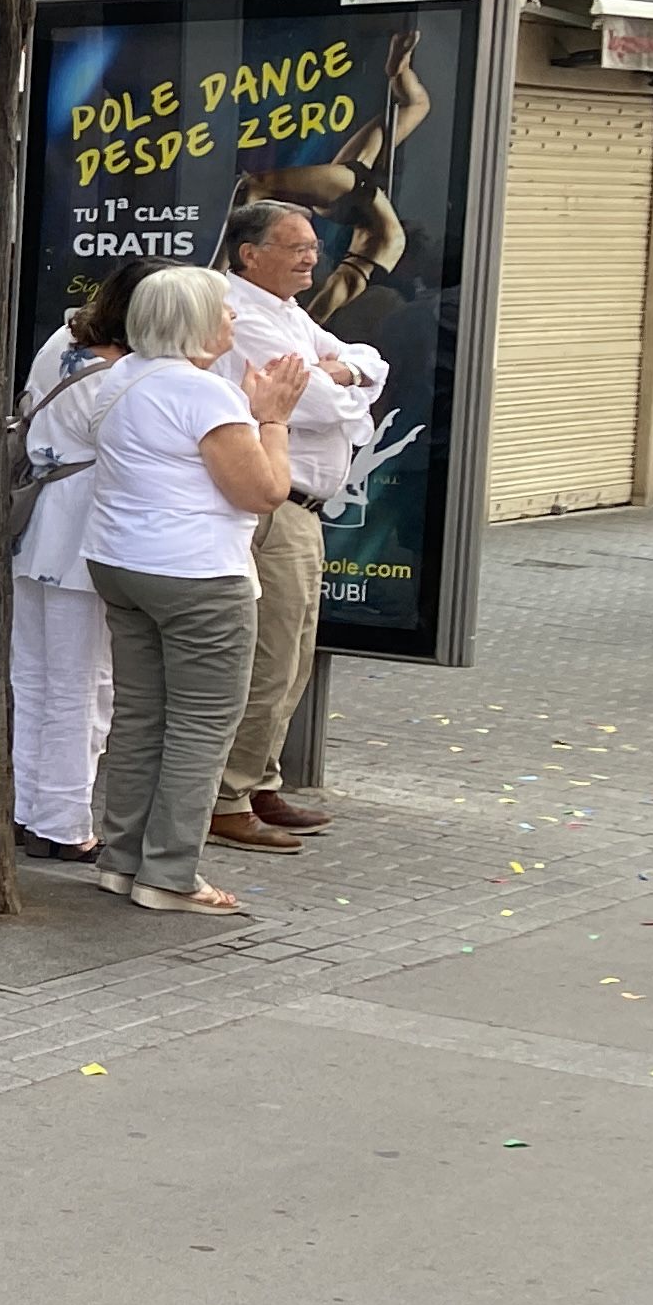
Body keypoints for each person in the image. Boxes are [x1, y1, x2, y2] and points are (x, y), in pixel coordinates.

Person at [80, 263, 313, 914]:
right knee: (200, 726)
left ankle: (123, 861)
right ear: (196, 324)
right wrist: (272, 420)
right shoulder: (204, 395)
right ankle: (170, 874)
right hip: (198, 574)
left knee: (140, 717)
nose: (234, 317)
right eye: (225, 309)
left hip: (121, 562)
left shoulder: (118, 379)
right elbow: (264, 492)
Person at [210, 198, 388, 852]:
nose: (312, 256)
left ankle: (257, 781)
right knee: (270, 654)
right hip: (274, 507)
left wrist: (340, 374)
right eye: (295, 246)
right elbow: (317, 403)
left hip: (305, 509)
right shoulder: (243, 315)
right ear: (251, 253)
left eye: (313, 244)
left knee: (296, 655)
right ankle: (226, 797)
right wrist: (339, 382)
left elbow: (371, 363)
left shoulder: (288, 312)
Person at [9, 268, 133, 860]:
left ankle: (28, 808)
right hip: (85, 525)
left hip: (35, 521)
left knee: (35, 675)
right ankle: (62, 822)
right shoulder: (122, 373)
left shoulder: (62, 339)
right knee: (83, 685)